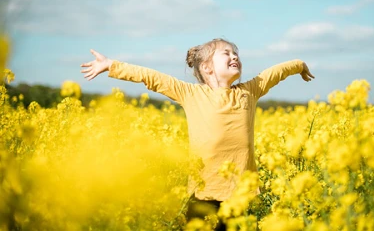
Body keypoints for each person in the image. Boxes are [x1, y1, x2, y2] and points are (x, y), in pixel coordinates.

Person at [80, 38, 315, 230]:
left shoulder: (249, 91)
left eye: (236, 54)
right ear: (206, 67)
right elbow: (152, 78)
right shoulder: (190, 93)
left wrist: (299, 64)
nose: (234, 57)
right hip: (203, 194)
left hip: (240, 193)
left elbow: (275, 73)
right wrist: (112, 66)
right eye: (226, 53)